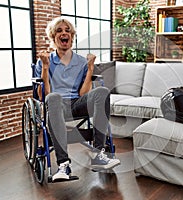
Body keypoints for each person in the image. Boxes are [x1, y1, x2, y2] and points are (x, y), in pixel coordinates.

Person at [35, 17, 120, 181]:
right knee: (53, 97)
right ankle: (63, 165)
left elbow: (83, 94)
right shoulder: (45, 61)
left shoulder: (80, 61)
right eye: (59, 31)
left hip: (76, 104)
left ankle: (98, 155)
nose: (64, 33)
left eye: (67, 31)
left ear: (72, 37)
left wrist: (89, 70)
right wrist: (45, 68)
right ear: (53, 37)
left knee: (102, 91)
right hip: (55, 105)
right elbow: (43, 96)